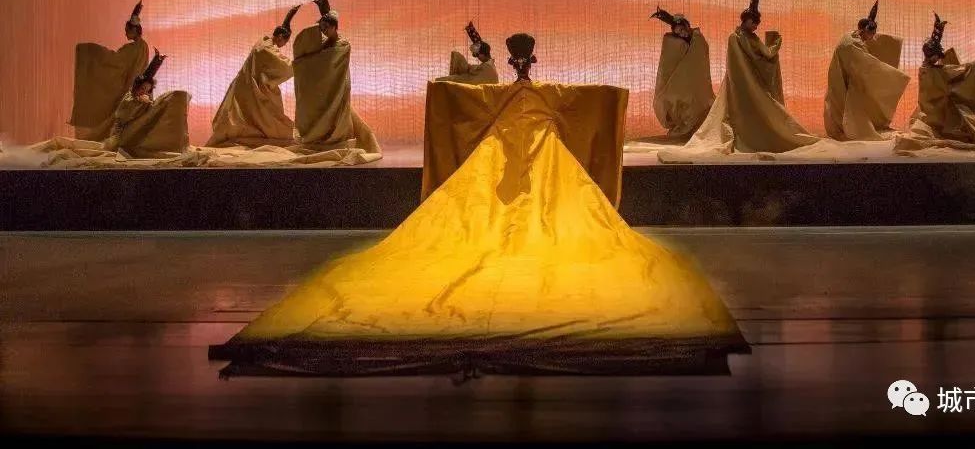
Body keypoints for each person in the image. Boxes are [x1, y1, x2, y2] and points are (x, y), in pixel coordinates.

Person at [211, 33, 746, 378]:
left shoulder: (519, 93)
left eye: (519, 60)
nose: (519, 64)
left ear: (518, 60)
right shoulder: (533, 93)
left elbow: (470, 103)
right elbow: (583, 105)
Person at [676, 0, 818, 155]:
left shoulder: (744, 37)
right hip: (743, 85)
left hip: (745, 84)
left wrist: (771, 49)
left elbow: (761, 56)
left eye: (757, 24)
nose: (756, 26)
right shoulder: (738, 38)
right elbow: (755, 58)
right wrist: (776, 44)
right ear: (747, 20)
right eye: (754, 23)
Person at [895, 14, 975, 152]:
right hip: (934, 113)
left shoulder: (928, 69)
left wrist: (938, 33)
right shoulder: (932, 71)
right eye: (937, 56)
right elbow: (953, 73)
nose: (938, 58)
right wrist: (973, 67)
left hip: (932, 110)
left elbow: (948, 72)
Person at [291, 0, 380, 153]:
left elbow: (325, 62)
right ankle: (320, 136)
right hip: (327, 87)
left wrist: (301, 64)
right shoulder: (325, 43)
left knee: (337, 114)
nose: (324, 30)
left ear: (334, 27)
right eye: (322, 28)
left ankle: (336, 139)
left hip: (338, 86)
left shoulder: (342, 45)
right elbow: (318, 61)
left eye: (326, 27)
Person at [206, 4, 302, 147]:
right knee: (262, 117)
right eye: (284, 42)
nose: (283, 45)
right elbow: (284, 66)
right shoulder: (266, 49)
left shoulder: (263, 42)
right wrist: (299, 65)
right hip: (252, 88)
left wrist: (289, 17)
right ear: (280, 37)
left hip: (248, 85)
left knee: (249, 115)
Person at [823, 0, 910, 141]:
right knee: (845, 104)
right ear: (864, 30)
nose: (873, 37)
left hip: (843, 75)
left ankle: (843, 129)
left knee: (842, 102)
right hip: (843, 77)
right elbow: (868, 64)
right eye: (872, 33)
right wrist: (893, 75)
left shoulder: (851, 36)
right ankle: (846, 130)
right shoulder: (853, 44)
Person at [68, 0, 150, 141]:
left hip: (133, 89)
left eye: (127, 31)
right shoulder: (141, 46)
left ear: (134, 30)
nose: (125, 34)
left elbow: (115, 62)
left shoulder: (134, 48)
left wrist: (91, 52)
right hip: (138, 89)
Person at [103, 49, 191, 157]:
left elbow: (148, 75)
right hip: (124, 131)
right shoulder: (130, 98)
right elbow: (124, 115)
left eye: (147, 90)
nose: (144, 91)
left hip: (137, 127)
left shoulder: (143, 97)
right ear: (137, 86)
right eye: (142, 88)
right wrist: (139, 102)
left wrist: (158, 60)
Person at [649, 6, 714, 138]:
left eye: (683, 30)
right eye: (678, 33)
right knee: (675, 99)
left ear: (687, 26)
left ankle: (695, 126)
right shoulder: (675, 43)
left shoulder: (698, 39)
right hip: (680, 80)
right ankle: (683, 125)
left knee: (696, 101)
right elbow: (668, 63)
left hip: (695, 80)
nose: (682, 34)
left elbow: (700, 57)